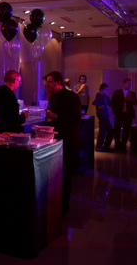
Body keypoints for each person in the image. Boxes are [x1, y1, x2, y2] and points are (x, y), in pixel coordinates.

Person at [45, 71, 82, 214]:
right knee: (57, 173)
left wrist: (56, 116)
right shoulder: (53, 97)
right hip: (57, 139)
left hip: (68, 139)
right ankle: (56, 203)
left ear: (58, 82)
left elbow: (76, 118)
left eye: (50, 82)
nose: (47, 84)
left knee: (65, 173)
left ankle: (64, 205)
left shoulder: (71, 96)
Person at [109, 78, 137, 152]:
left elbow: (136, 102)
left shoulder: (132, 93)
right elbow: (113, 102)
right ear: (124, 83)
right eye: (128, 83)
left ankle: (123, 145)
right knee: (117, 130)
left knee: (126, 130)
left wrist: (131, 99)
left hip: (128, 115)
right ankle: (117, 145)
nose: (129, 85)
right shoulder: (117, 92)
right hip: (119, 114)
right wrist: (115, 112)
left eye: (130, 84)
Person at [92, 83, 112, 151]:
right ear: (102, 90)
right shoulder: (99, 96)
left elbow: (110, 103)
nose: (107, 91)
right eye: (106, 89)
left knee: (109, 131)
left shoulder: (105, 97)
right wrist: (100, 106)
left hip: (106, 116)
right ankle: (99, 146)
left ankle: (104, 146)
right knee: (103, 131)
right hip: (102, 116)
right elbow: (95, 103)